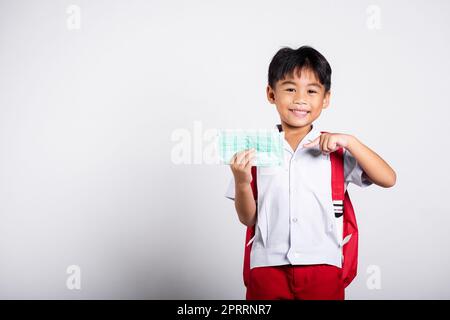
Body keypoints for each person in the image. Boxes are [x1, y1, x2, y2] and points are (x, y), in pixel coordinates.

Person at [224, 45, 396, 300]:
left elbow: (388, 178)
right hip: (267, 268)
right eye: (290, 89)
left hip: (324, 266)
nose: (300, 99)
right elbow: (248, 219)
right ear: (271, 94)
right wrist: (241, 182)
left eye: (312, 91)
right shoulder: (255, 150)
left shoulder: (336, 147)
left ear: (326, 98)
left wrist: (350, 141)